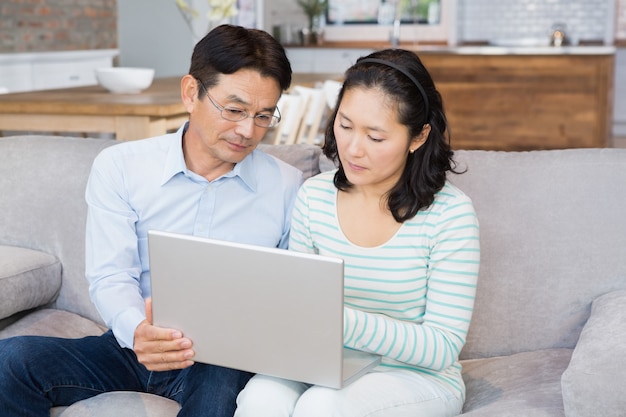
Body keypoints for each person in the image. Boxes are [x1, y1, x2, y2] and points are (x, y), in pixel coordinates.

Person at [0, 24, 302, 417]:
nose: (248, 131)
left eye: (264, 116)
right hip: (132, 346)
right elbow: (111, 276)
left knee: (219, 390)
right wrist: (139, 333)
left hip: (222, 359)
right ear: (191, 92)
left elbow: (288, 297)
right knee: (10, 359)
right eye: (234, 110)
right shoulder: (122, 168)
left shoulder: (287, 186)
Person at [234, 48, 480, 417]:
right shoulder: (315, 197)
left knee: (323, 406)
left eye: (376, 138)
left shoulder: (450, 214)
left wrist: (337, 320)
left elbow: (441, 346)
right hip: (320, 365)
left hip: (415, 376)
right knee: (259, 399)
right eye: (345, 126)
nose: (352, 149)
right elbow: (296, 309)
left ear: (418, 136)